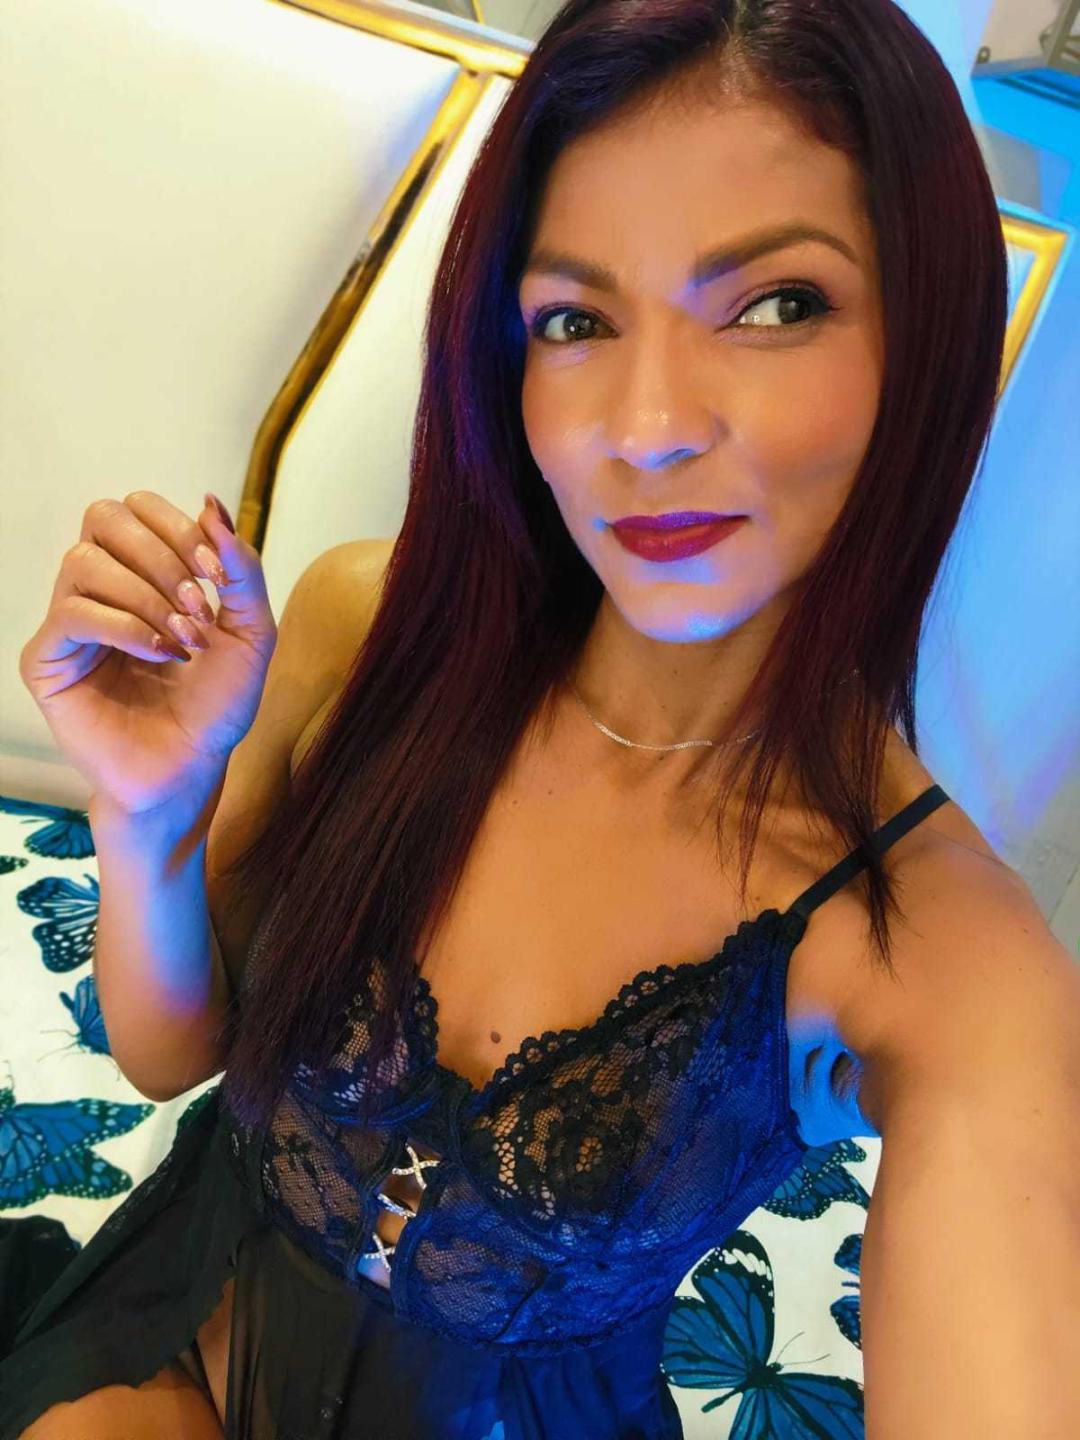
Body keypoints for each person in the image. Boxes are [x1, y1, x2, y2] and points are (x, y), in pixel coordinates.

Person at [5, 3, 1075, 1438]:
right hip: (176, 1321)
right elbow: (167, 1058)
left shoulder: (940, 956)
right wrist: (147, 815)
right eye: (575, 320)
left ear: (925, 342)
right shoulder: (371, 627)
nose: (645, 427)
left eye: (774, 306)